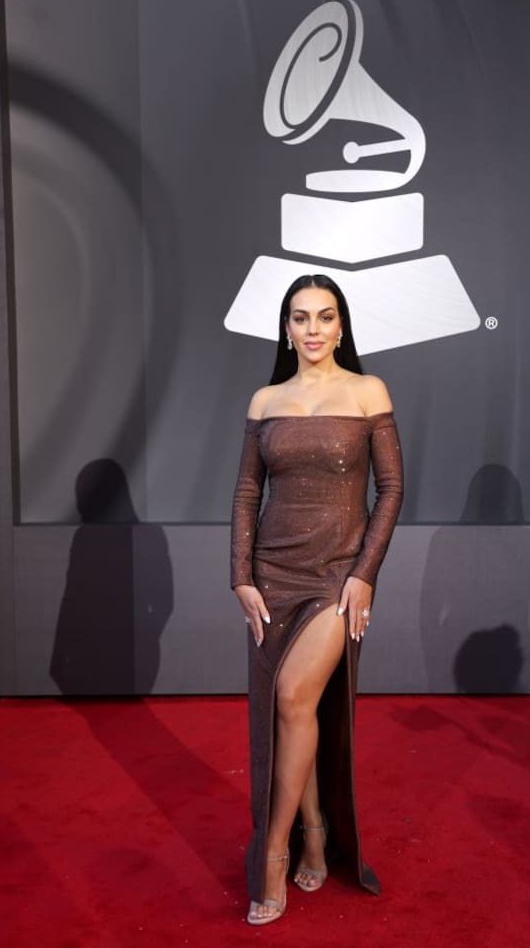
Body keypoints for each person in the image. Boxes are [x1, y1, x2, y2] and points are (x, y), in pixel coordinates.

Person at [230, 273, 404, 926]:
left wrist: (365, 574)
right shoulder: (265, 399)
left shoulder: (367, 392)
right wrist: (241, 575)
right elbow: (248, 492)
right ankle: (314, 829)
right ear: (286, 328)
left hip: (338, 572)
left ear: (341, 326)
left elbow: (390, 488)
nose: (312, 329)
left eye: (325, 317)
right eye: (300, 318)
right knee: (289, 709)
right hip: (275, 572)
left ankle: (273, 850)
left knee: (296, 697)